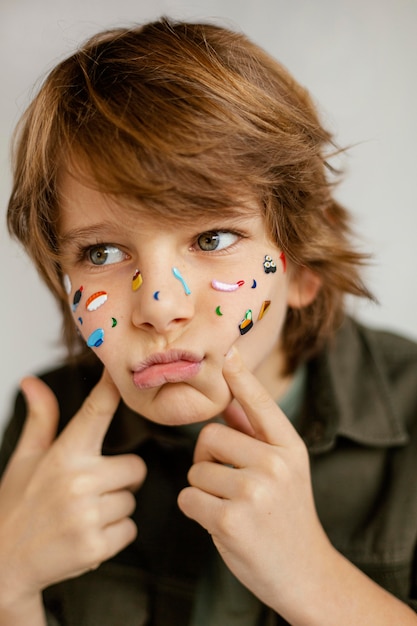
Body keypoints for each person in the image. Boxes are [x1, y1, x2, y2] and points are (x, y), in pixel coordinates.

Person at [1, 16, 416, 626]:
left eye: (213, 237)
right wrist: (8, 581)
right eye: (103, 254)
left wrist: (315, 580)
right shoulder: (45, 443)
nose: (158, 306)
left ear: (302, 269)